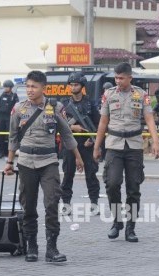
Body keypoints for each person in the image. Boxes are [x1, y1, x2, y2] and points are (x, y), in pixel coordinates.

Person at [4, 70, 84, 263]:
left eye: (34, 86)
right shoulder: (19, 109)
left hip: (49, 162)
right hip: (26, 163)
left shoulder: (55, 107)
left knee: (51, 203)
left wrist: (78, 157)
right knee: (28, 205)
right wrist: (9, 162)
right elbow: (13, 137)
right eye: (28, 86)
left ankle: (52, 248)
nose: (30, 90)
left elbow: (67, 134)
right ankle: (32, 245)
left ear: (44, 88)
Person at [93, 62, 159, 243]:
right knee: (112, 184)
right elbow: (103, 122)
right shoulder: (108, 94)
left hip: (134, 146)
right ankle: (117, 222)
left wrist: (156, 141)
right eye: (116, 78)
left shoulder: (141, 95)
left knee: (133, 188)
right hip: (114, 145)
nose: (118, 81)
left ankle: (130, 228)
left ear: (130, 77)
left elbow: (149, 119)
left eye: (121, 78)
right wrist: (96, 146)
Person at [60, 72, 100, 215]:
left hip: (87, 144)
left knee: (91, 175)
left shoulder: (90, 103)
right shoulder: (64, 104)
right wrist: (72, 127)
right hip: (69, 143)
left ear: (82, 86)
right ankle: (66, 204)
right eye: (71, 85)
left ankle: (94, 203)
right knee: (68, 174)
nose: (73, 87)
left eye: (76, 85)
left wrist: (93, 139)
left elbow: (98, 123)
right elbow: (58, 123)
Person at [0, 79, 19, 159]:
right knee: (0, 136)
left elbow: (17, 108)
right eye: (4, 87)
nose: (5, 88)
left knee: (10, 136)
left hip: (10, 117)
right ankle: (1, 152)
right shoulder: (2, 96)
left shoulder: (14, 96)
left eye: (7, 87)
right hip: (2, 117)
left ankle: (10, 153)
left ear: (11, 88)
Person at [99, 82, 113, 162]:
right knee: (101, 140)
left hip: (111, 123)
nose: (106, 91)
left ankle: (107, 156)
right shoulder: (100, 100)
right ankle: (101, 156)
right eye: (105, 89)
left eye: (108, 89)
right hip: (102, 123)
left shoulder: (114, 99)